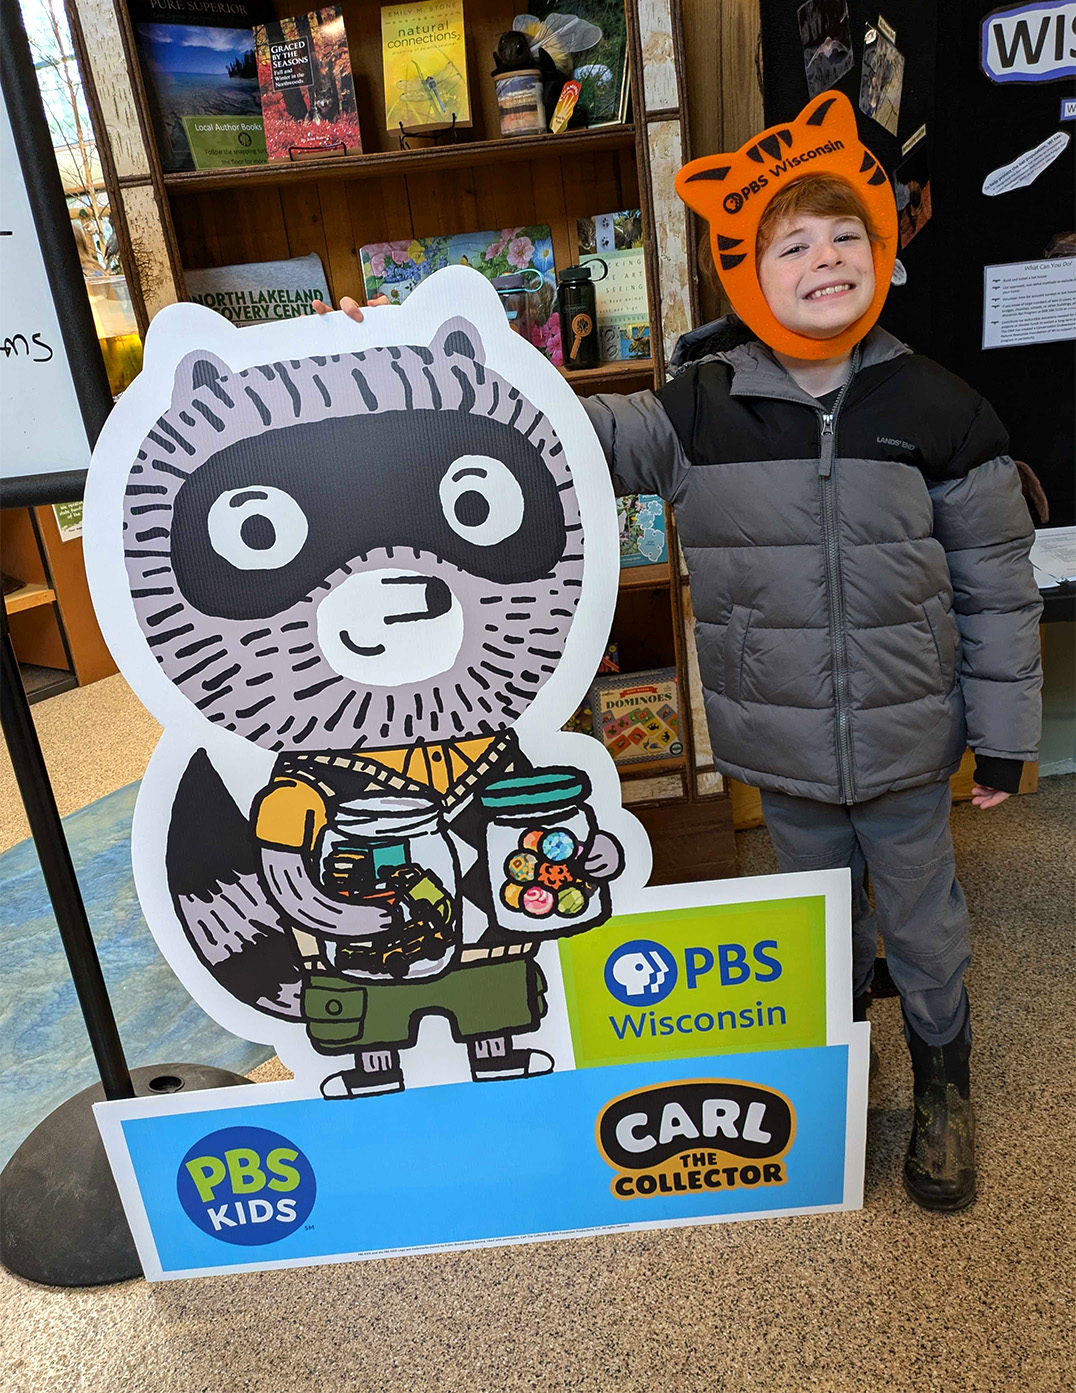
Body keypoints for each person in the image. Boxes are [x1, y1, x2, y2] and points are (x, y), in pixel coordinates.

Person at [317, 90, 1042, 1211]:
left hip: (906, 745)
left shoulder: (938, 407)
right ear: (745, 272)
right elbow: (567, 437)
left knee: (923, 920)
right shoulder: (698, 406)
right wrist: (425, 359)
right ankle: (831, 1072)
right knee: (814, 927)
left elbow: (997, 587)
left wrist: (1000, 742)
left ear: (885, 249)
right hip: (778, 741)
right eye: (791, 243)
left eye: (846, 233)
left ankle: (943, 1076)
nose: (823, 257)